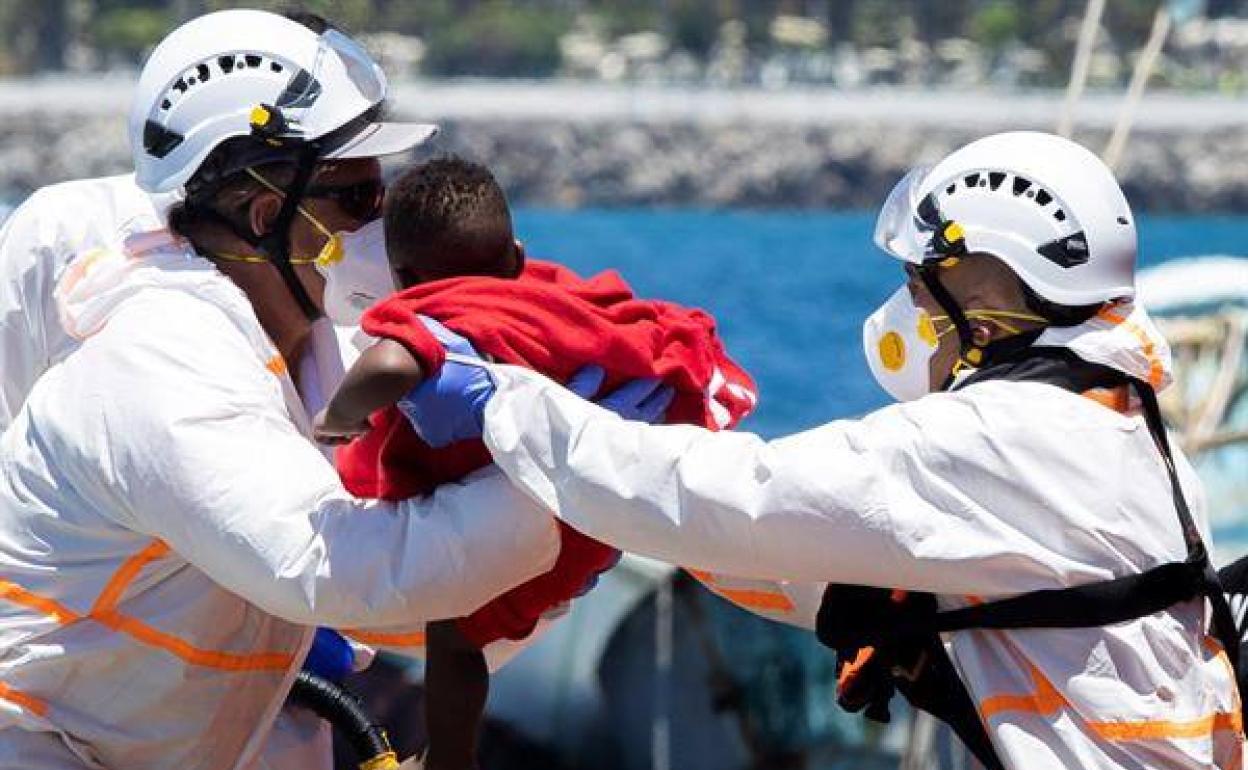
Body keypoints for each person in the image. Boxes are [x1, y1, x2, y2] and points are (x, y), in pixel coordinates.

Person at [398, 131, 1245, 770]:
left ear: (985, 299)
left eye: (922, 286)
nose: (909, 311)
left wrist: (509, 404)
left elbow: (744, 502)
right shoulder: (1116, 416)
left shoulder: (996, 439)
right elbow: (792, 547)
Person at [0, 10, 566, 770]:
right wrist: (574, 463)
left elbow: (428, 601)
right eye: (360, 200)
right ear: (268, 216)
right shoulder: (164, 360)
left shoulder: (331, 346)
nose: (387, 226)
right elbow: (330, 564)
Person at [313, 155, 760, 770]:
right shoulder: (553, 299)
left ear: (403, 276)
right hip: (598, 517)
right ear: (516, 255)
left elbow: (389, 365)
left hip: (536, 522)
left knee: (454, 636)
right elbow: (642, 330)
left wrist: (338, 417)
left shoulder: (440, 318)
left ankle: (450, 761)